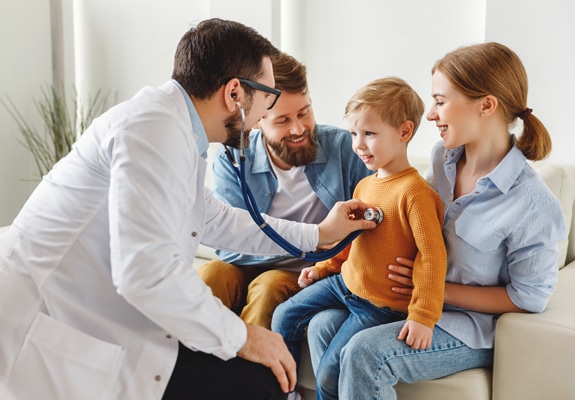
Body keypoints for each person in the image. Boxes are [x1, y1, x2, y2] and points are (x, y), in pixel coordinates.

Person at [0, 19, 377, 400]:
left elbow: (211, 218)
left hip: (93, 317)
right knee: (259, 383)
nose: (266, 110)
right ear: (235, 94)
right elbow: (144, 272)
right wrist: (244, 337)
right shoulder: (154, 130)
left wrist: (318, 235)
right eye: (268, 99)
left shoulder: (175, 128)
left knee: (258, 382)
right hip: (46, 322)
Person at [306, 42, 568, 400]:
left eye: (441, 101)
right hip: (411, 304)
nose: (430, 114)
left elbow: (528, 298)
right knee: (321, 325)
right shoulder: (443, 159)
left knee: (366, 353)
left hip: (468, 328)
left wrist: (434, 292)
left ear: (486, 105)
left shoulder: (533, 203)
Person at [271, 77, 448, 399]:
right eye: (354, 134)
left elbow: (432, 258)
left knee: (329, 372)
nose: (358, 145)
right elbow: (351, 241)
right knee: (284, 313)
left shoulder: (416, 194)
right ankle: (285, 391)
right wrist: (323, 267)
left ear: (404, 132)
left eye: (369, 134)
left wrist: (423, 316)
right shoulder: (365, 186)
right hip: (346, 283)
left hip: (379, 305)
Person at [197, 51, 371, 330]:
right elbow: (227, 247)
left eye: (304, 112)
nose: (299, 128)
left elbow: (382, 208)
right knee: (210, 276)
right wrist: (310, 241)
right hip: (251, 263)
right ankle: (186, 370)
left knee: (269, 285)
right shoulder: (232, 159)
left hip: (312, 272)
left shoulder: (345, 149)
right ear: (257, 121)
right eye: (282, 121)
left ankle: (252, 374)